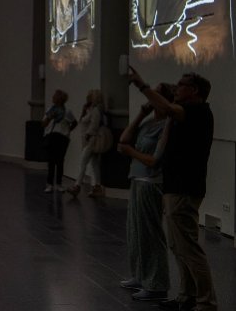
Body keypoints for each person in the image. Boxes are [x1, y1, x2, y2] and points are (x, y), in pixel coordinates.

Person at [128, 65, 215, 311]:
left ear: (194, 90)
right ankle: (186, 297)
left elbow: (166, 108)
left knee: (188, 247)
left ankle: (206, 302)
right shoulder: (185, 112)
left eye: (182, 85)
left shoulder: (197, 111)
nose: (176, 88)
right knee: (179, 246)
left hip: (185, 188)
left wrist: (141, 84)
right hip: (176, 186)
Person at [118, 83, 176, 302]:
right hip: (137, 180)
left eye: (155, 95)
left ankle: (156, 284)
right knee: (135, 231)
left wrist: (131, 152)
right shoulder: (149, 122)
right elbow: (123, 140)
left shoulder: (167, 125)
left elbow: (154, 160)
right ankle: (141, 275)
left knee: (150, 233)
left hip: (151, 183)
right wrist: (141, 114)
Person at [66, 88, 108, 199]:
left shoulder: (95, 110)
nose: (87, 98)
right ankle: (97, 187)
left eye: (90, 96)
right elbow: (83, 120)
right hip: (89, 140)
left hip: (91, 140)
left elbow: (94, 125)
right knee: (94, 164)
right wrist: (84, 111)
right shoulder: (92, 109)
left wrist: (88, 135)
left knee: (82, 162)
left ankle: (77, 186)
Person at [41, 89, 76, 193]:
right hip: (52, 136)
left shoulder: (67, 112)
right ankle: (50, 184)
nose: (53, 97)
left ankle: (59, 184)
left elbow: (74, 122)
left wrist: (67, 131)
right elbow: (43, 124)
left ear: (59, 99)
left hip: (62, 138)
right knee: (51, 161)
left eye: (55, 96)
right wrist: (50, 117)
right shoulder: (50, 110)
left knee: (60, 161)